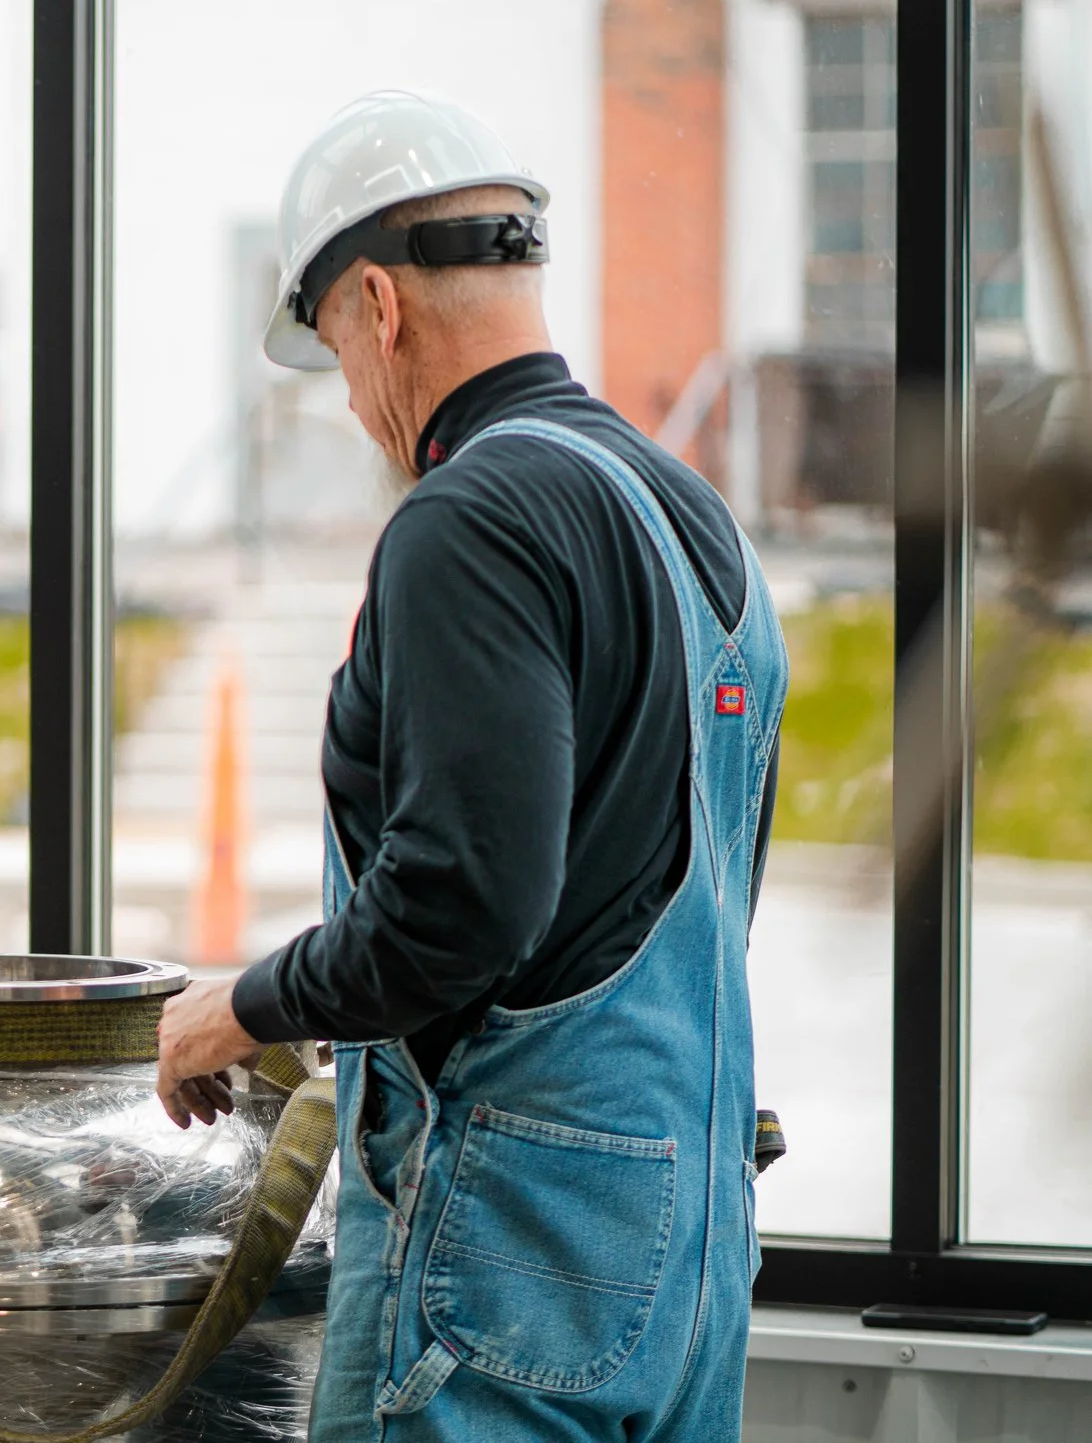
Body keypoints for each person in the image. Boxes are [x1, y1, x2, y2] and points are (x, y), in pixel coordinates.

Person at [153, 92, 786, 1440]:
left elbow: (460, 905)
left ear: (377, 302)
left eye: (330, 348)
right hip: (692, 1238)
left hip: (516, 1241)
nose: (351, 396)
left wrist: (241, 1008)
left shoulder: (471, 520)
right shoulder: (691, 520)